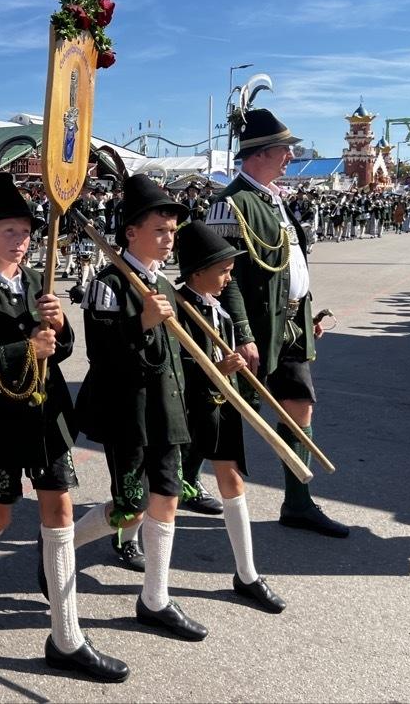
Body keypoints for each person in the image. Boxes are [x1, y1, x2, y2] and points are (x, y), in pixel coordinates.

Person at [0, 173, 128, 683]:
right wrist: (27, 349)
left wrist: (60, 328)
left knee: (59, 508)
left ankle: (66, 637)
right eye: (7, 231)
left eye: (24, 231)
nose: (19, 240)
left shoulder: (40, 283)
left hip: (46, 415)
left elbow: (61, 354)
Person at [74, 175, 208, 641]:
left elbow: (174, 357)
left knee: (167, 497)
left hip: (164, 409)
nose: (169, 239)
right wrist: (143, 324)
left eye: (172, 231)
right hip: (126, 410)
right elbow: (102, 356)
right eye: (159, 230)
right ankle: (62, 548)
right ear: (131, 232)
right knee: (129, 505)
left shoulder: (164, 287)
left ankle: (155, 599)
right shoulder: (108, 284)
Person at [205, 108, 348, 538]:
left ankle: (298, 503)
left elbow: (291, 263)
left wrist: (306, 310)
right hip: (251, 331)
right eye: (285, 150)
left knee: (299, 404)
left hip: (291, 326)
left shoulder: (275, 199)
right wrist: (243, 334)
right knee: (215, 410)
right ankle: (176, 482)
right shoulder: (229, 204)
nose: (291, 156)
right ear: (260, 154)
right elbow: (221, 281)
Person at [173, 222, 286, 612]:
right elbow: (174, 367)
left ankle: (247, 573)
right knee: (158, 492)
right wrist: (217, 366)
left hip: (218, 406)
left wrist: (228, 372)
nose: (228, 277)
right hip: (184, 410)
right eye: (222, 270)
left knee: (231, 479)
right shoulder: (177, 308)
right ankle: (96, 538)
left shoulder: (217, 310)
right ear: (197, 271)